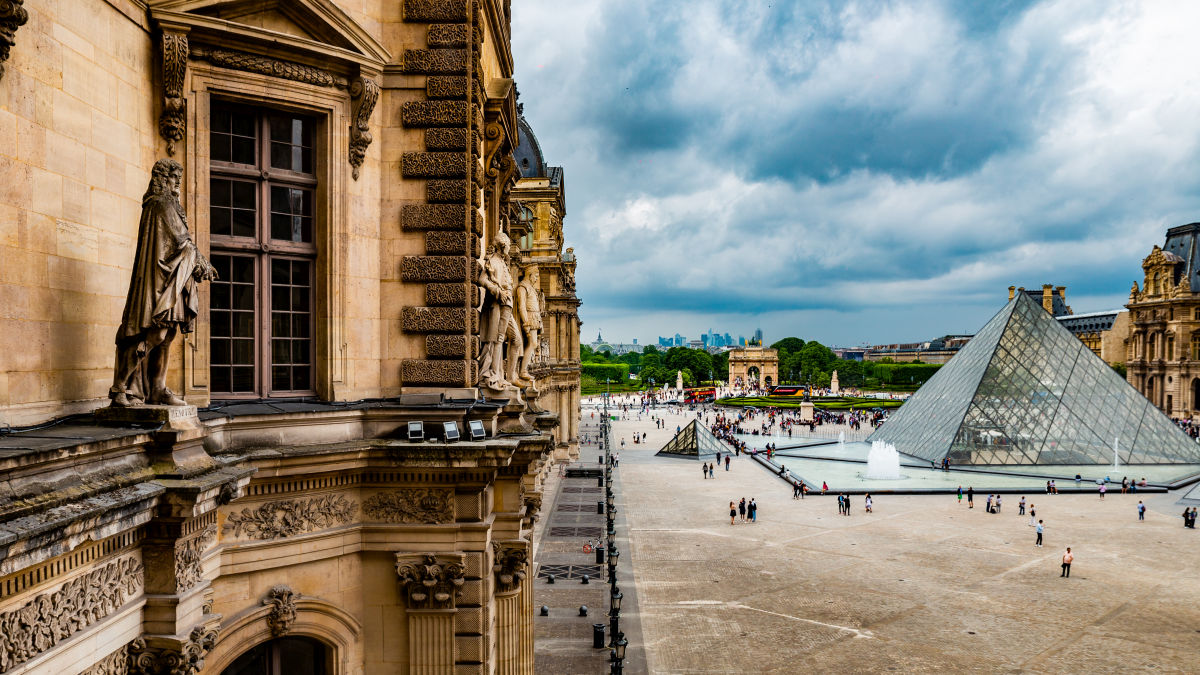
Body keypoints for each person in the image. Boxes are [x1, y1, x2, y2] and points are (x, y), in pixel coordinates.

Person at [110, 158, 217, 407]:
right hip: (161, 282)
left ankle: (157, 389)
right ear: (162, 179)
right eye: (173, 178)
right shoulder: (162, 203)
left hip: (172, 279)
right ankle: (120, 387)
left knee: (168, 335)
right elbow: (182, 241)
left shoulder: (165, 204)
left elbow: (182, 243)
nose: (177, 183)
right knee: (156, 334)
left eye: (179, 178)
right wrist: (203, 264)